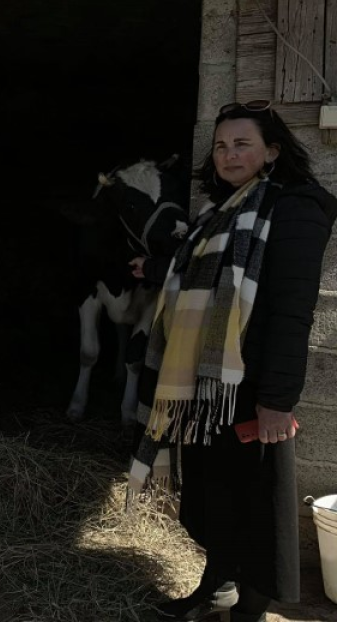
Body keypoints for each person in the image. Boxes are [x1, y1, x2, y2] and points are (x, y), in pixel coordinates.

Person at [128, 100, 337, 622]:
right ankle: (214, 587)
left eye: (242, 143)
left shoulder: (295, 208)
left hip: (249, 386)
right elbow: (195, 274)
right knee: (212, 492)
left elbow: (292, 310)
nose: (228, 154)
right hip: (205, 386)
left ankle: (253, 609)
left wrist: (277, 401)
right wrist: (152, 266)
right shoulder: (219, 213)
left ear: (272, 150)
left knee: (255, 504)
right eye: (221, 145)